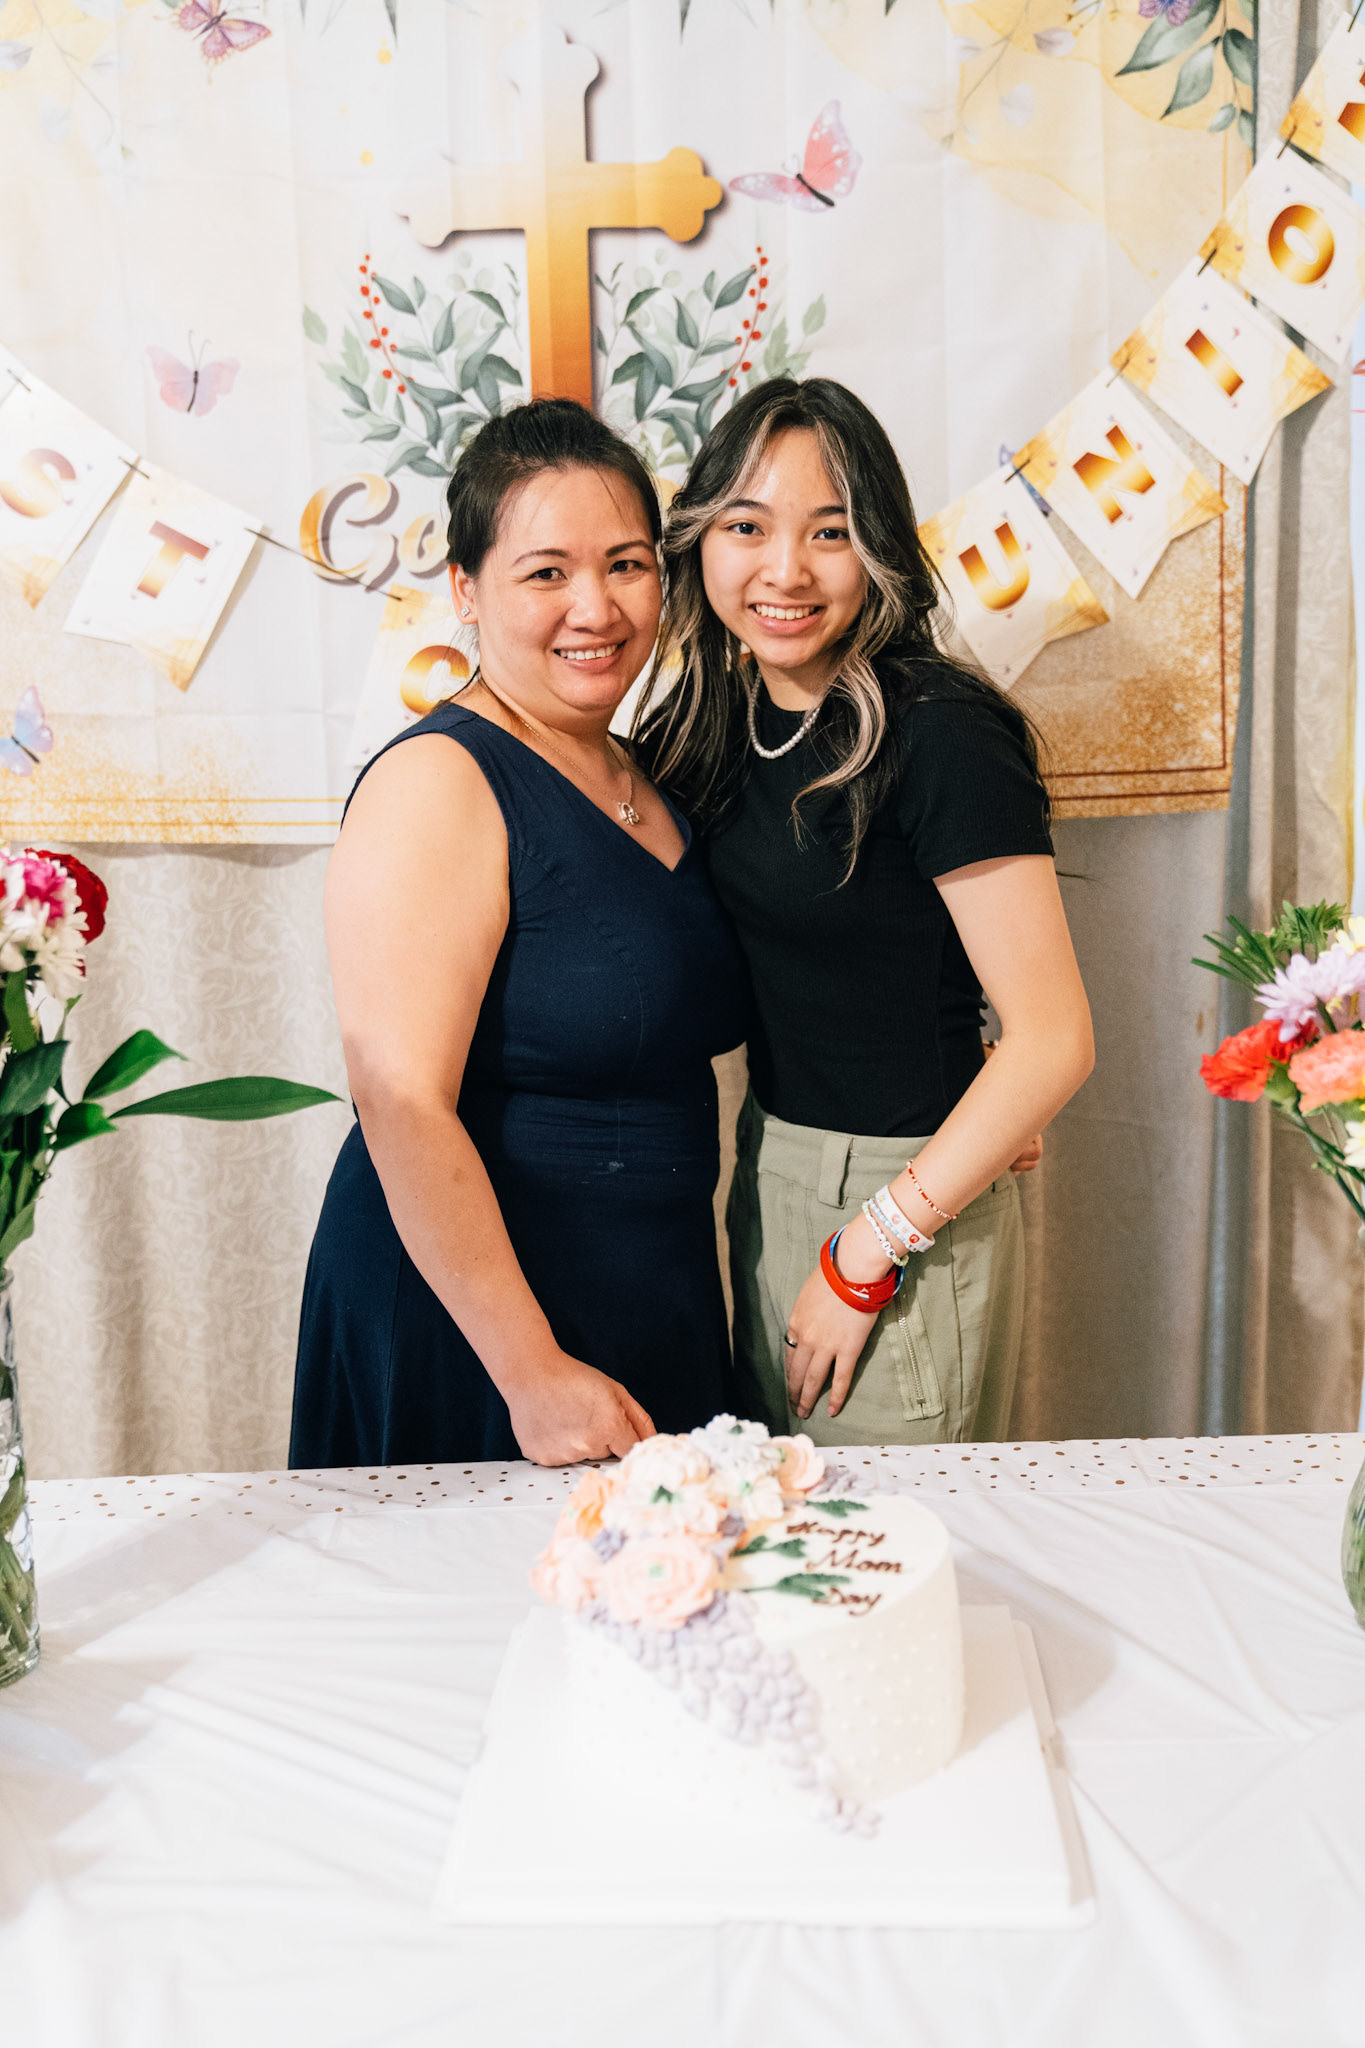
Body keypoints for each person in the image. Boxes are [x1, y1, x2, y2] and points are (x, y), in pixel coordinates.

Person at [635, 377, 1093, 1447]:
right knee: (782, 1525)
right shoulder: (704, 726)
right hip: (765, 1169)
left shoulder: (942, 731)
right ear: (699, 538)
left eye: (829, 531)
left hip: (900, 1204)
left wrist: (866, 1249)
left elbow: (1055, 1038)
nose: (785, 570)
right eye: (747, 526)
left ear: (879, 546)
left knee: (892, 1536)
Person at [290, 399, 748, 1468]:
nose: (596, 607)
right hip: (480, 1328)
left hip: (652, 1293)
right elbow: (400, 1099)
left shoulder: (650, 774)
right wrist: (529, 1367)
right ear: (465, 589)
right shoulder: (437, 779)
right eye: (546, 572)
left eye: (627, 564)